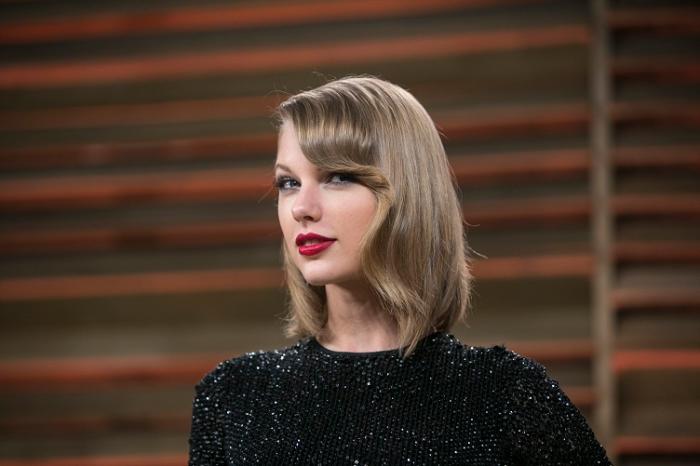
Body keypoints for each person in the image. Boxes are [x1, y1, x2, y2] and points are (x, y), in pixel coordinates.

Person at [188, 76, 611, 465]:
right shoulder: (234, 397)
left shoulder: (506, 395)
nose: (301, 208)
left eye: (337, 177)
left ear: (406, 192)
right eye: (288, 183)